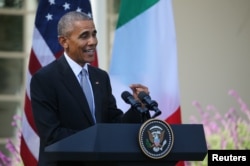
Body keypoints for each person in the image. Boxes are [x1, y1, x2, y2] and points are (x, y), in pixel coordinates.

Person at [30, 11, 150, 166]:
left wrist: (136, 107)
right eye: (84, 36)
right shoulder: (45, 79)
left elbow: (113, 124)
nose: (93, 41)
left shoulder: (100, 77)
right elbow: (52, 135)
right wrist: (99, 139)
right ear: (64, 41)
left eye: (94, 34)